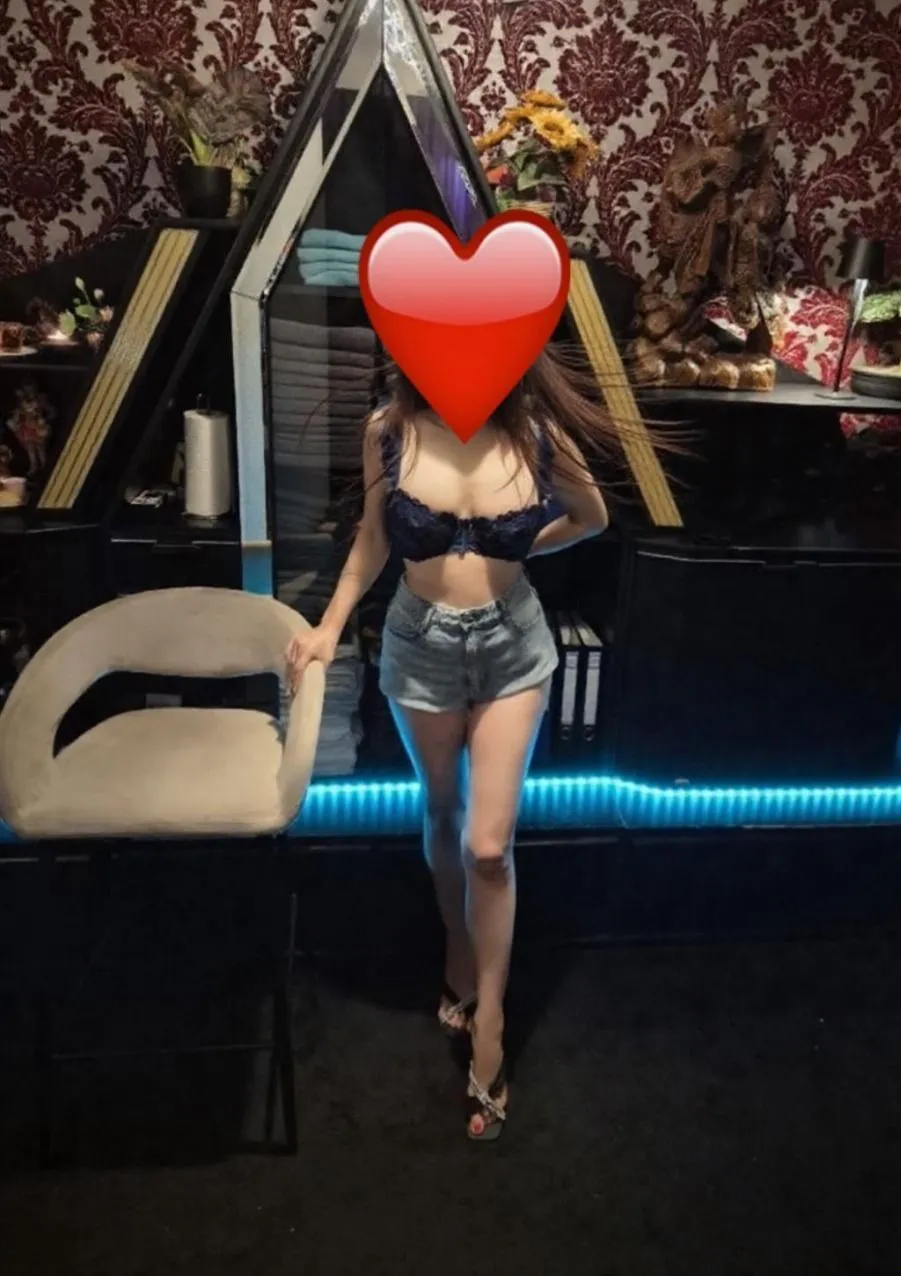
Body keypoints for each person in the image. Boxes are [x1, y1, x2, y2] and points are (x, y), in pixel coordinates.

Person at [285, 344, 670, 1141]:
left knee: (489, 846)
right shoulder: (389, 430)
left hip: (511, 647)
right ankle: (457, 949)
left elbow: (593, 518)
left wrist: (517, 545)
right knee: (440, 811)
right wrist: (327, 627)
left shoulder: (537, 432)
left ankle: (490, 1018)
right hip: (418, 644)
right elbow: (373, 537)